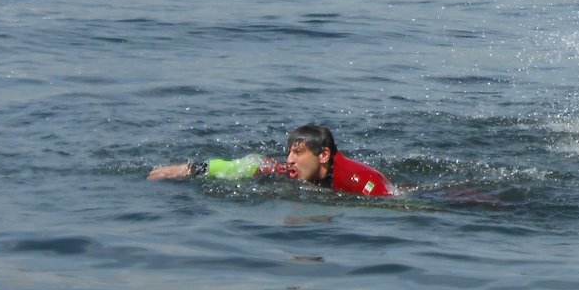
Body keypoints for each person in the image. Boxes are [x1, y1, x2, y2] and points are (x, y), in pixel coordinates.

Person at [149, 123, 397, 197]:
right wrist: (188, 169)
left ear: (323, 156)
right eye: (289, 152)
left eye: (298, 153)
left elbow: (396, 202)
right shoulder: (290, 169)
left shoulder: (363, 182)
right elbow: (239, 166)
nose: (289, 159)